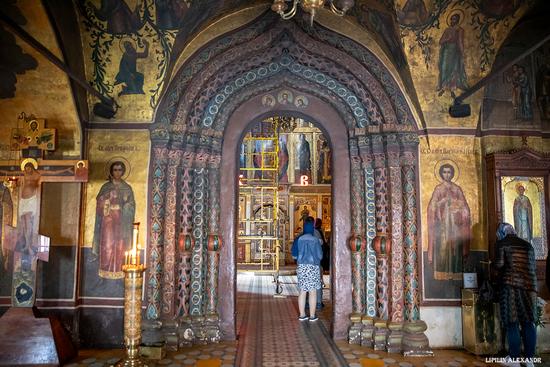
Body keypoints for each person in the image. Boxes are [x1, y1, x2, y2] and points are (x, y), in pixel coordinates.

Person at [494, 223, 537, 367]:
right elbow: (532, 267)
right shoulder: (528, 245)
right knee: (528, 322)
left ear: (501, 233)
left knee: (512, 322)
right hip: (530, 288)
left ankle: (514, 359)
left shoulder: (502, 243)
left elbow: (499, 265)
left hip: (510, 287)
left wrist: (492, 265)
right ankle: (530, 360)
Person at [427, 163, 471, 280]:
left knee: (456, 246)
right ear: (441, 174)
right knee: (443, 246)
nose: (447, 174)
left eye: (449, 172)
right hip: (443, 225)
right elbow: (432, 206)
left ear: (452, 174)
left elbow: (465, 206)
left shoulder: (457, 189)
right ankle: (442, 273)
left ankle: (456, 273)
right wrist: (442, 202)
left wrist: (457, 205)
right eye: (445, 172)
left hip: (455, 224)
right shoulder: (439, 189)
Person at [92, 161, 135, 279]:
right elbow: (99, 205)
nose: (117, 172)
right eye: (115, 169)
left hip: (121, 223)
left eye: (120, 170)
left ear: (123, 172)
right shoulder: (106, 187)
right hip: (108, 221)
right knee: (108, 245)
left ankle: (119, 271)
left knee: (120, 246)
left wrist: (125, 206)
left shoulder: (127, 188)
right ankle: (105, 272)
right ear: (111, 171)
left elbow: (131, 207)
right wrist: (107, 199)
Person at [291, 217, 323, 322]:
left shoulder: (298, 239)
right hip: (313, 267)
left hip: (302, 267)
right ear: (312, 226)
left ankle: (302, 315)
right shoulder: (315, 240)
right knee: (313, 291)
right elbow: (320, 255)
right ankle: (312, 316)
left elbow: (294, 255)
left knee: (302, 291)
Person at [437, 13, 468, 98]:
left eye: (454, 19)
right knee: (444, 69)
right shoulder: (447, 30)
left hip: (455, 52)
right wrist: (447, 39)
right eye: (451, 19)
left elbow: (460, 42)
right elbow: (440, 41)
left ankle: (452, 90)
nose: (452, 21)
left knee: (454, 70)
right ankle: (443, 88)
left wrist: (462, 53)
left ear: (457, 20)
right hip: (446, 52)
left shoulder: (459, 30)